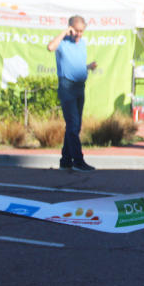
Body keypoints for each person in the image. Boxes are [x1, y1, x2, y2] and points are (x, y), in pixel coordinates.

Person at [46, 15, 97, 172]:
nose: (79, 34)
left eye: (82, 31)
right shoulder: (62, 43)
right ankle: (78, 160)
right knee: (73, 125)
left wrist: (88, 67)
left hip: (79, 86)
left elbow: (77, 64)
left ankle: (66, 160)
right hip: (67, 87)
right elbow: (50, 47)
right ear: (71, 28)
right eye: (77, 31)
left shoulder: (82, 43)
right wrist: (64, 33)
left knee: (74, 126)